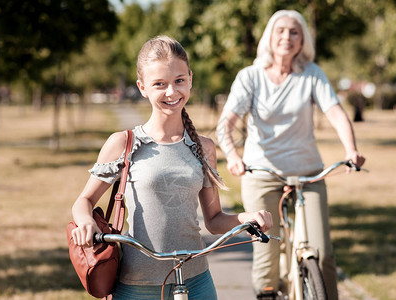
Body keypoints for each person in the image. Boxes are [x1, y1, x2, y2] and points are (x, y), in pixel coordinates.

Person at [71, 35, 273, 300]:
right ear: (142, 87)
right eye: (159, 84)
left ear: (190, 78)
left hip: (197, 282)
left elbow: (213, 221)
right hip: (136, 287)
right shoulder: (124, 143)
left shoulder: (205, 148)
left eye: (179, 81)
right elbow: (84, 200)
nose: (171, 92)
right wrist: (86, 222)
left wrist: (248, 217)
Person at [216, 10, 365, 300]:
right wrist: (233, 155)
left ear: (303, 40)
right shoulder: (250, 77)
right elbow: (227, 124)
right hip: (261, 175)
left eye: (294, 32)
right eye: (280, 31)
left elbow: (335, 113)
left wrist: (351, 150)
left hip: (309, 174)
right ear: (269, 37)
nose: (287, 37)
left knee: (322, 255)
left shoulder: (312, 74)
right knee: (266, 257)